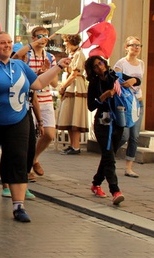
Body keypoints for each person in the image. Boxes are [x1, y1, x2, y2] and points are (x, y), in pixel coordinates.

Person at [0, 32, 69, 222]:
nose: (6, 45)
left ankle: (18, 206)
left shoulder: (19, 66)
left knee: (19, 160)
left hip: (18, 120)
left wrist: (58, 67)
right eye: (2, 43)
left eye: (9, 42)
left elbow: (38, 84)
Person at [84, 55, 139, 205]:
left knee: (109, 155)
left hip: (119, 120)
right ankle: (115, 191)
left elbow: (137, 80)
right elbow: (91, 106)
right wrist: (104, 96)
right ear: (92, 70)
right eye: (95, 66)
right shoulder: (94, 83)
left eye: (100, 63)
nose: (100, 67)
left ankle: (96, 184)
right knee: (109, 156)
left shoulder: (115, 76)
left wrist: (132, 81)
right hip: (103, 123)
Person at [13, 26, 58, 178]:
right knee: (29, 135)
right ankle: (27, 167)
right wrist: (37, 74)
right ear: (33, 38)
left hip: (45, 98)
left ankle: (34, 158)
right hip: (30, 98)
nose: (43, 38)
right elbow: (17, 58)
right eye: (39, 36)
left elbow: (54, 83)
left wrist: (47, 72)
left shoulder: (50, 57)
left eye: (46, 35)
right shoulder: (28, 55)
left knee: (50, 134)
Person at [114, 36, 145, 178]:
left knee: (134, 136)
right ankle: (109, 155)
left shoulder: (141, 63)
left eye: (139, 45)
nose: (136, 48)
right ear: (126, 47)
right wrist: (129, 80)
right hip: (125, 103)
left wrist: (135, 81)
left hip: (138, 102)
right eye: (133, 45)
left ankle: (129, 167)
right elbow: (116, 81)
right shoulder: (121, 63)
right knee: (124, 135)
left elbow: (140, 82)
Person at [57, 34, 88, 155]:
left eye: (65, 42)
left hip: (75, 86)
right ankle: (72, 144)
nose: (64, 44)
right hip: (71, 86)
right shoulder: (72, 54)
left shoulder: (79, 54)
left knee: (75, 115)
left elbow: (74, 74)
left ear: (71, 42)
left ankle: (76, 146)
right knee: (69, 115)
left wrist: (63, 85)